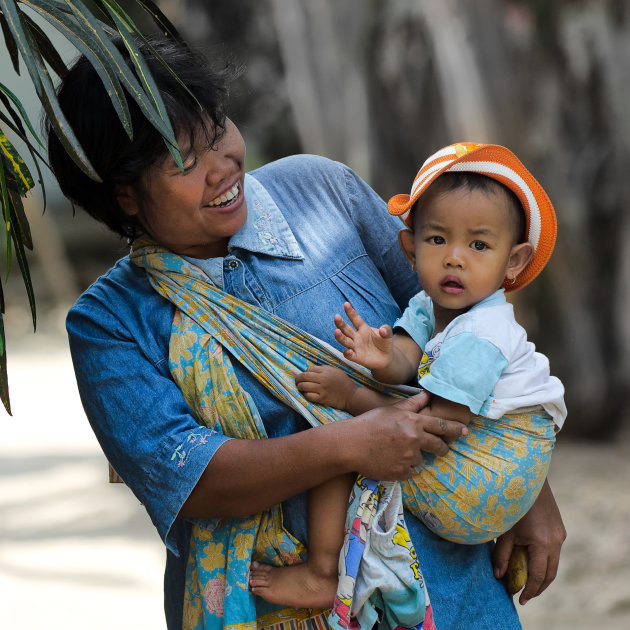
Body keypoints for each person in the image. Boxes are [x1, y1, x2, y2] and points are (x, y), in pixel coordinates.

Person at [48, 37, 565, 630]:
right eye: (186, 161)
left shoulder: (322, 191)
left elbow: (469, 325)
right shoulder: (110, 322)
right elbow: (190, 481)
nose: (224, 166)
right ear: (125, 195)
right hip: (272, 605)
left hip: (450, 592)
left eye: (218, 130)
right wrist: (345, 443)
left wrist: (531, 493)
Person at [249, 142, 567, 611]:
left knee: (338, 441)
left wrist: (352, 395)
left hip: (485, 477)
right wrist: (382, 355)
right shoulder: (431, 305)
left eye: (479, 245)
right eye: (438, 240)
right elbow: (408, 357)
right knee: (351, 434)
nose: (455, 258)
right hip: (473, 447)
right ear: (409, 247)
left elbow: (438, 424)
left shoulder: (483, 333)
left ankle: (322, 571)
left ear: (513, 262)